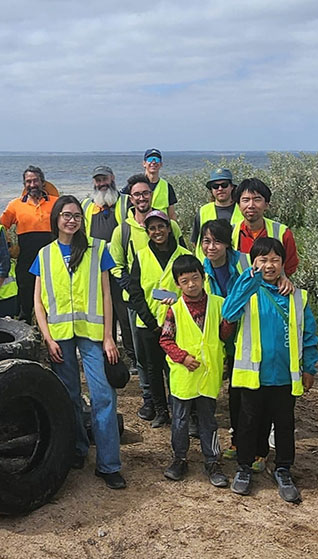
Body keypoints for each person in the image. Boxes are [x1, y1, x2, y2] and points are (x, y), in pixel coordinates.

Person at [31, 195, 124, 489]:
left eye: (76, 216)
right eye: (66, 215)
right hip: (60, 338)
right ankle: (78, 449)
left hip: (94, 334)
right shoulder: (44, 255)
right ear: (56, 218)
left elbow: (108, 295)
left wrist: (110, 336)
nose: (71, 220)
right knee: (69, 395)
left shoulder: (98, 249)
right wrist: (47, 338)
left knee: (103, 396)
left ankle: (109, 464)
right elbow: (38, 301)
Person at [222, 237, 318, 503]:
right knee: (248, 423)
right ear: (254, 263)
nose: (269, 265)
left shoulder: (297, 296)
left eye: (275, 259)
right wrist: (247, 280)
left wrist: (310, 368)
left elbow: (309, 335)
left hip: (285, 378)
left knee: (285, 425)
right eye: (263, 259)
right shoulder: (247, 291)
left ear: (283, 263)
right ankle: (244, 468)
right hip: (253, 376)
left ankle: (284, 468)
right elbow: (228, 313)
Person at [158, 255, 234, 487]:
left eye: (195, 278)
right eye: (185, 281)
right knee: (180, 420)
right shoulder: (175, 309)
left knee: (208, 420)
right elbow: (165, 340)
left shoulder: (219, 304)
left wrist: (230, 320)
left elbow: (222, 335)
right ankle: (179, 458)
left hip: (208, 376)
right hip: (184, 377)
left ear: (203, 278)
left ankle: (212, 460)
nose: (191, 284)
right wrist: (183, 357)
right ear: (177, 284)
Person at [124, 210, 192, 428]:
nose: (157, 231)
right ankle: (161, 411)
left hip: (179, 324)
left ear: (169, 228)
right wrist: (152, 322)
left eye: (161, 226)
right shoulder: (142, 256)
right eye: (152, 228)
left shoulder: (183, 255)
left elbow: (193, 289)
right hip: (149, 325)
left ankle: (185, 412)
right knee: (153, 369)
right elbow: (135, 291)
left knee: (178, 368)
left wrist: (174, 320)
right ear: (148, 232)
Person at [197, 219, 247, 460]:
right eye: (206, 241)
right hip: (217, 338)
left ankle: (242, 441)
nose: (211, 247)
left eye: (217, 241)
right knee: (218, 390)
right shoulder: (201, 269)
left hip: (247, 337)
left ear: (228, 243)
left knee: (241, 391)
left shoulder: (244, 263)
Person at [82, 166, 139, 379]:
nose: (101, 183)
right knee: (103, 315)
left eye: (104, 178)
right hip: (96, 269)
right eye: (98, 180)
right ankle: (109, 356)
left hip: (119, 267)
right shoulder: (87, 205)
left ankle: (133, 357)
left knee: (124, 314)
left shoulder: (124, 201)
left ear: (112, 178)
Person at [0, 165, 57, 322]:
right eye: (28, 182)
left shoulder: (56, 202)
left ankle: (51, 337)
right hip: (26, 259)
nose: (32, 185)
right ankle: (27, 334)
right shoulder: (15, 205)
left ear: (42, 182)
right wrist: (10, 245)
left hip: (52, 260)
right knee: (25, 299)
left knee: (52, 299)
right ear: (24, 185)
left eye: (35, 181)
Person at [232, 178, 299, 277]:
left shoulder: (282, 232)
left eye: (257, 200)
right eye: (246, 200)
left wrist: (282, 278)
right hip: (241, 290)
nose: (251, 205)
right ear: (239, 205)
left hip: (273, 290)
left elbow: (290, 266)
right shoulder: (231, 233)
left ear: (266, 205)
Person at [191, 168, 243, 258]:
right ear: (211, 190)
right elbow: (195, 241)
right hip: (208, 268)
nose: (220, 189)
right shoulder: (203, 211)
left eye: (224, 185)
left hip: (237, 266)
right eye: (215, 186)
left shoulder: (243, 210)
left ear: (232, 187)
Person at [121, 148, 178, 220]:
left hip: (159, 228)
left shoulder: (167, 186)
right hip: (137, 226)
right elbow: (122, 204)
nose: (153, 162)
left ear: (161, 164)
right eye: (150, 159)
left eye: (157, 159)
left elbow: (172, 214)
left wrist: (173, 229)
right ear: (144, 164)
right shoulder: (135, 185)